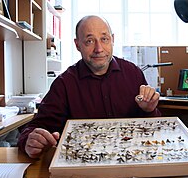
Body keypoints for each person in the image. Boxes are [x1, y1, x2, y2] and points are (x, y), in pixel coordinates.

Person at [18, 15, 161, 158]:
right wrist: (30, 142)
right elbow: (37, 128)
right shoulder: (64, 84)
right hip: (83, 165)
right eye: (89, 41)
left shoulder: (133, 74)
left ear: (112, 40)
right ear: (77, 45)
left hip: (130, 158)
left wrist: (149, 110)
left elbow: (154, 129)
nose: (98, 49)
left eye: (104, 39)